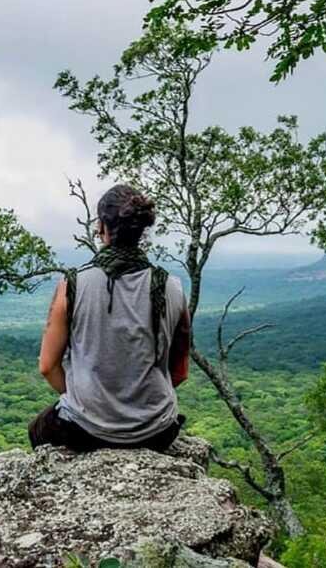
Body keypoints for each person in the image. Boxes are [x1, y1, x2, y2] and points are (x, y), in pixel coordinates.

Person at [28, 184, 192, 452]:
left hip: (86, 430)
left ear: (102, 227)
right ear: (142, 231)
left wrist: (87, 401)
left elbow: (47, 366)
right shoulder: (171, 287)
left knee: (37, 430)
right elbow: (180, 371)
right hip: (157, 430)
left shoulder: (73, 285)